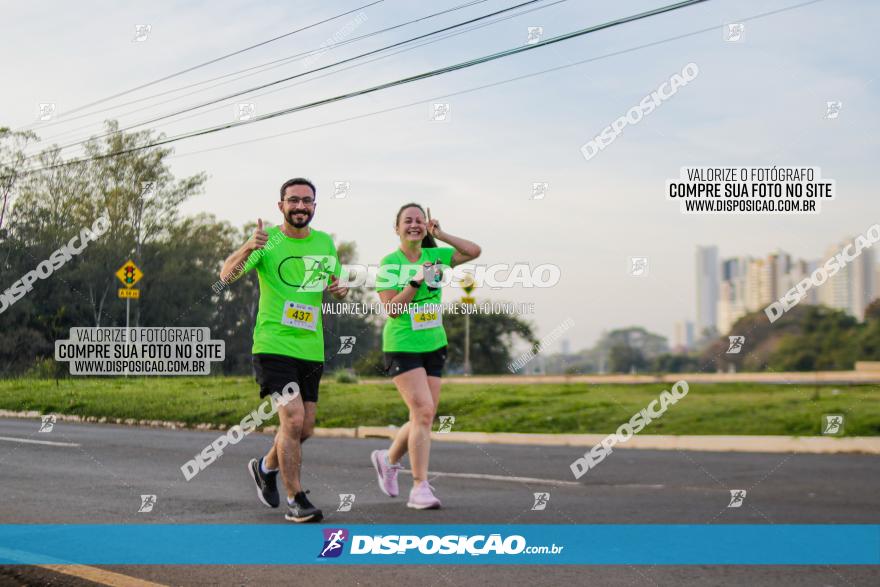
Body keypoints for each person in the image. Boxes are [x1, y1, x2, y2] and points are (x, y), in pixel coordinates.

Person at [220, 177, 348, 523]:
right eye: (294, 201)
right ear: (281, 206)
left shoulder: (324, 243)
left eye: (307, 201)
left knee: (304, 429)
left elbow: (336, 285)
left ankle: (265, 468)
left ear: (314, 207)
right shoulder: (267, 241)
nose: (301, 207)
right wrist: (248, 246)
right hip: (273, 344)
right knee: (291, 418)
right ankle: (296, 499)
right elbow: (226, 277)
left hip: (310, 347)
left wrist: (340, 289)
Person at [371, 203, 481, 509]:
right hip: (403, 345)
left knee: (424, 414)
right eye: (408, 221)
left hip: (434, 343)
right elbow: (392, 308)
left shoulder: (437, 255)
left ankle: (388, 459)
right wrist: (416, 281)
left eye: (419, 220)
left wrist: (440, 233)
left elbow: (473, 251)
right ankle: (419, 487)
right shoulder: (389, 263)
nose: (414, 225)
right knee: (422, 412)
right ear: (397, 228)